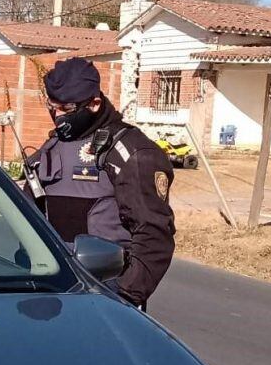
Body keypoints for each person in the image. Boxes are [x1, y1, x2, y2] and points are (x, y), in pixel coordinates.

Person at [26, 57, 175, 308]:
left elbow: (154, 236)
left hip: (106, 297)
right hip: (52, 293)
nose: (58, 116)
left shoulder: (132, 153)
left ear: (94, 103)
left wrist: (124, 296)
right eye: (53, 108)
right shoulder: (49, 150)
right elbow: (26, 222)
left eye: (67, 109)